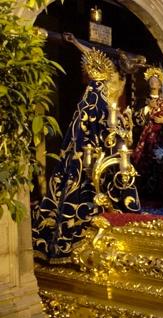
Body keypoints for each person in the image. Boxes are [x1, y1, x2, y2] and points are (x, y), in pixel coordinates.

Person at [32, 32, 142, 263]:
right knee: (85, 192)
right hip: (88, 160)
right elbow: (99, 131)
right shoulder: (96, 102)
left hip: (85, 158)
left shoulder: (89, 102)